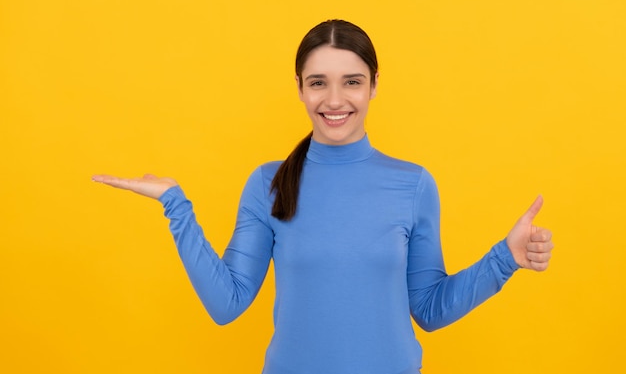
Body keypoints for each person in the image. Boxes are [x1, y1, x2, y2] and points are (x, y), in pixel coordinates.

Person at [92, 19, 553, 374]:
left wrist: (504, 259)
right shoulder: (268, 183)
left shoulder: (413, 184)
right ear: (299, 88)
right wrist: (176, 204)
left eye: (352, 81)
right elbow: (227, 303)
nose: (335, 99)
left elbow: (429, 310)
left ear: (374, 85)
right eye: (318, 82)